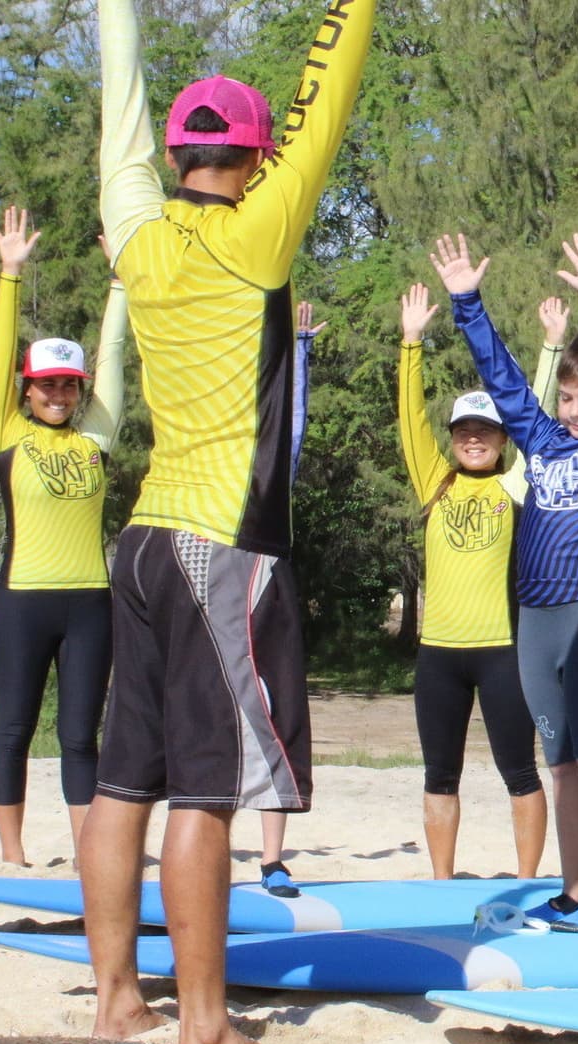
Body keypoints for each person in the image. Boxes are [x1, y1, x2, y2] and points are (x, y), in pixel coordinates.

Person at [84, 0, 373, 1044]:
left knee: (125, 785)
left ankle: (119, 997)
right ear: (252, 162)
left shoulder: (139, 232)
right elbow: (327, 82)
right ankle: (204, 1024)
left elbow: (117, 101)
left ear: (176, 154)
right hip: (220, 550)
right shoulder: (259, 232)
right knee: (204, 794)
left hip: (144, 543)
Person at [430, 233, 578, 932]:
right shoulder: (544, 440)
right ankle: (576, 887)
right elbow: (503, 380)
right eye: (568, 396)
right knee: (560, 763)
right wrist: (467, 302)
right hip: (535, 619)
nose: (576, 409)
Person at [397, 283, 560, 880]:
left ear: (501, 439)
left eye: (486, 430)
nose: (474, 438)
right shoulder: (432, 482)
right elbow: (410, 420)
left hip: (502, 654)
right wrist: (410, 343)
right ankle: (442, 883)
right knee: (440, 774)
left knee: (520, 772)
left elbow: (534, 413)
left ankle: (525, 883)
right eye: (464, 429)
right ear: (453, 436)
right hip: (438, 655)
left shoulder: (513, 486)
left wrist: (551, 349)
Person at [0, 206, 125, 868]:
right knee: (13, 727)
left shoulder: (97, 437)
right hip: (23, 601)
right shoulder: (7, 434)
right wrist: (10, 274)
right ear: (27, 389)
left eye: (69, 384)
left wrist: (122, 284)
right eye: (47, 385)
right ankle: (12, 855)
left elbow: (115, 353)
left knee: (79, 736)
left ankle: (86, 855)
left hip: (89, 603)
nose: (60, 394)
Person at [253, 299, 325, 900]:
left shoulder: (273, 467)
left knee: (275, 720)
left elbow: (292, 422)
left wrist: (299, 349)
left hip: (268, 587)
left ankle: (272, 860)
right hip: (208, 584)